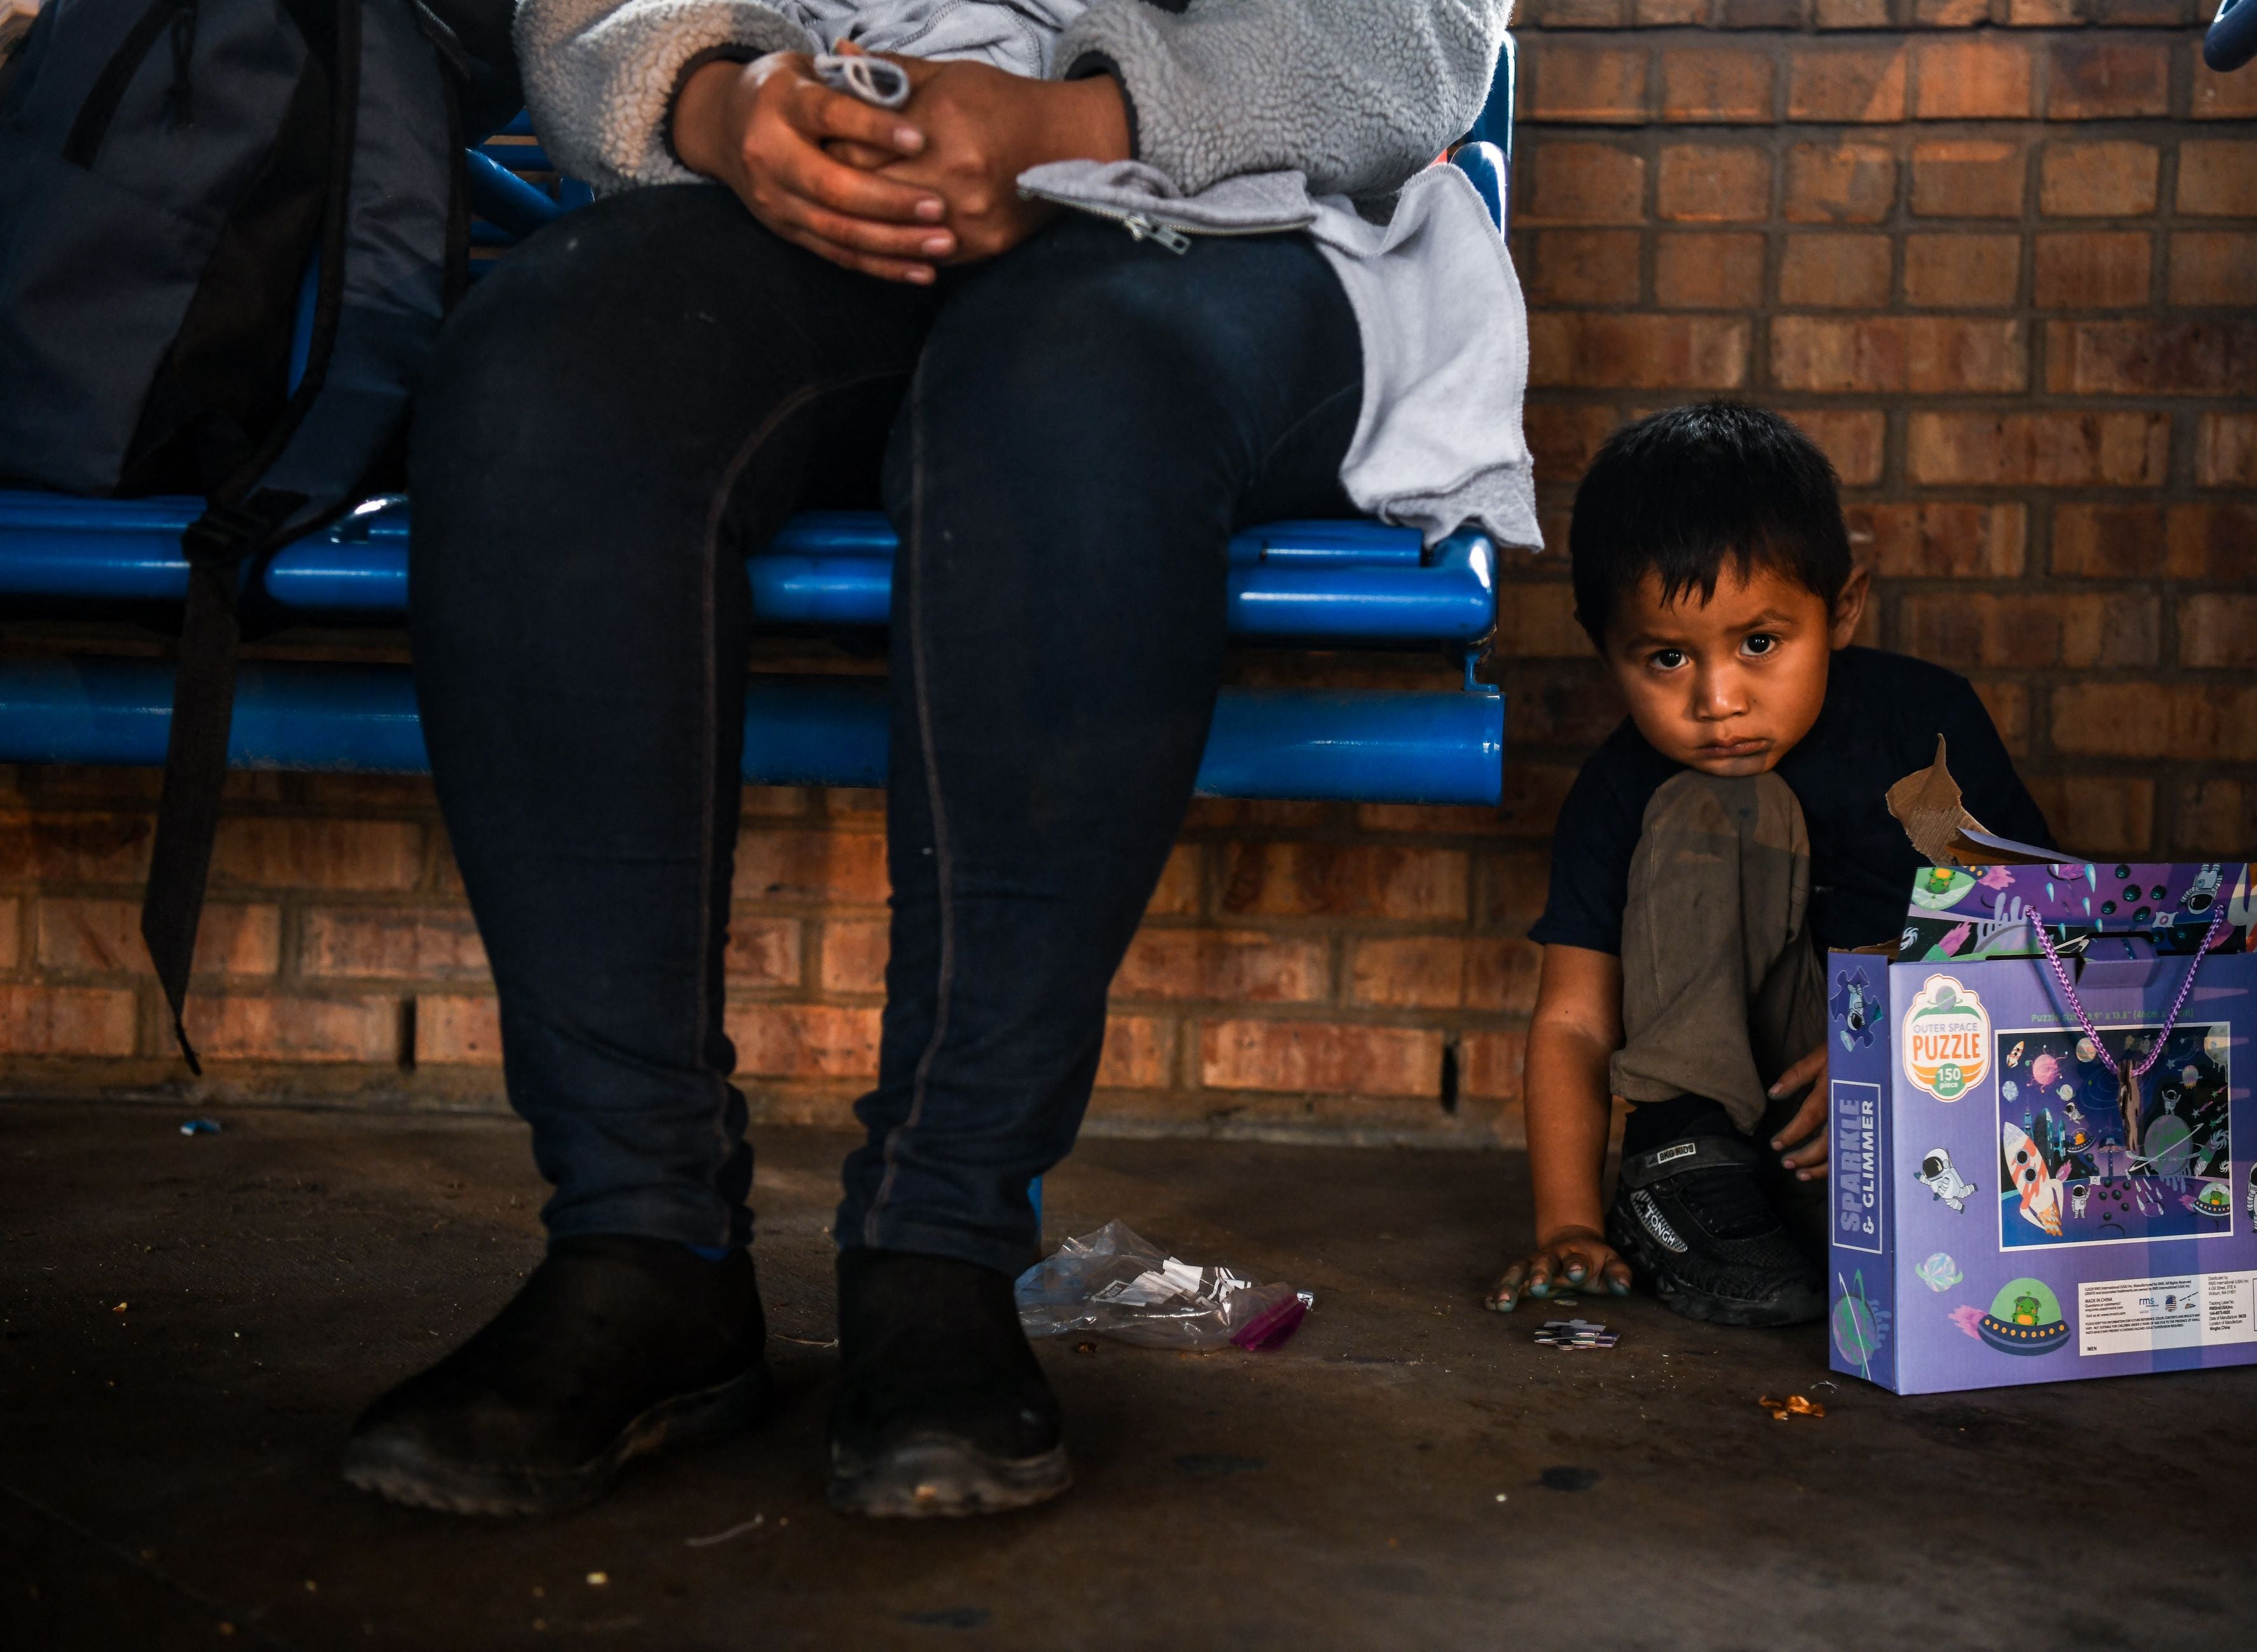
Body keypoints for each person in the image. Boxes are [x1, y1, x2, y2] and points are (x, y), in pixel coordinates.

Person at [339, 0, 1527, 1520]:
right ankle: (641, 1245)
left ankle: (941, 1241)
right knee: (544, 372)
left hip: (1219, 217)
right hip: (804, 196)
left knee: (1071, 385)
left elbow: (1413, 30)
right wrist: (719, 105)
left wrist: (1071, 127)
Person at [1484, 404, 2050, 1328]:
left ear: (1844, 609)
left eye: (1759, 644)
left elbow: (2043, 932)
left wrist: (1891, 1052)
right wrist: (1568, 1225)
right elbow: (1576, 1023)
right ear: (1606, 649)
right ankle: (1680, 1165)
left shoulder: (1923, 731)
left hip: (1920, 1111)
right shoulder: (1621, 787)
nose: (1719, 700)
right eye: (1667, 657)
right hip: (1742, 1130)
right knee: (1718, 801)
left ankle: (1817, 1214)